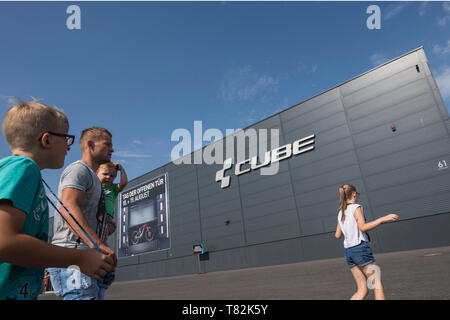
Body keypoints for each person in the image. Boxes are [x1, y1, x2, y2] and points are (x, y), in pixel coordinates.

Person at [0, 101, 115, 300]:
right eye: (66, 139)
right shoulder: (24, 169)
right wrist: (80, 257)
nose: (69, 147)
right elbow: (3, 240)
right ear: (46, 140)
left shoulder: (24, 172)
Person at [49, 127, 118, 300]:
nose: (112, 149)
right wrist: (97, 244)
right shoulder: (78, 169)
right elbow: (68, 206)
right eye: (107, 144)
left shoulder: (95, 179)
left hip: (87, 255)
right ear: (90, 145)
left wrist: (103, 231)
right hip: (72, 254)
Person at [334, 184, 399, 300]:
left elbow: (337, 235)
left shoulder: (341, 212)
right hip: (360, 250)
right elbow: (363, 227)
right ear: (354, 194)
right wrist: (383, 218)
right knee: (377, 286)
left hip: (349, 253)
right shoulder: (355, 207)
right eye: (357, 194)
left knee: (362, 290)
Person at [96, 161, 128, 227]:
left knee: (103, 234)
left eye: (112, 176)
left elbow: (124, 183)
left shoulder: (113, 188)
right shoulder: (94, 185)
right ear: (96, 174)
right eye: (105, 174)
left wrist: (121, 170)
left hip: (107, 215)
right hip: (95, 212)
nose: (108, 177)